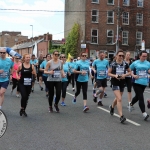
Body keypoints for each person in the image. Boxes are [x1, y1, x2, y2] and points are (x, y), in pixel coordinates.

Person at [108, 49, 131, 123]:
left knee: (118, 98)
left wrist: (125, 74)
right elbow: (108, 73)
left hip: (122, 82)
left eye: (122, 55)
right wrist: (115, 75)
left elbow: (130, 72)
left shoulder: (125, 64)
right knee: (119, 99)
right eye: (119, 55)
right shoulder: (113, 64)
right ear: (116, 56)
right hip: (115, 82)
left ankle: (112, 107)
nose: (121, 57)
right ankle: (121, 116)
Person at [130, 51, 150, 120]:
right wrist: (133, 75)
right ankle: (144, 114)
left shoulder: (148, 63)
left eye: (146, 56)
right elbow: (129, 70)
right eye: (143, 56)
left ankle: (131, 104)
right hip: (136, 82)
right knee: (141, 97)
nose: (144, 58)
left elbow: (148, 71)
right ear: (139, 56)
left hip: (144, 83)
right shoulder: (135, 63)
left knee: (138, 97)